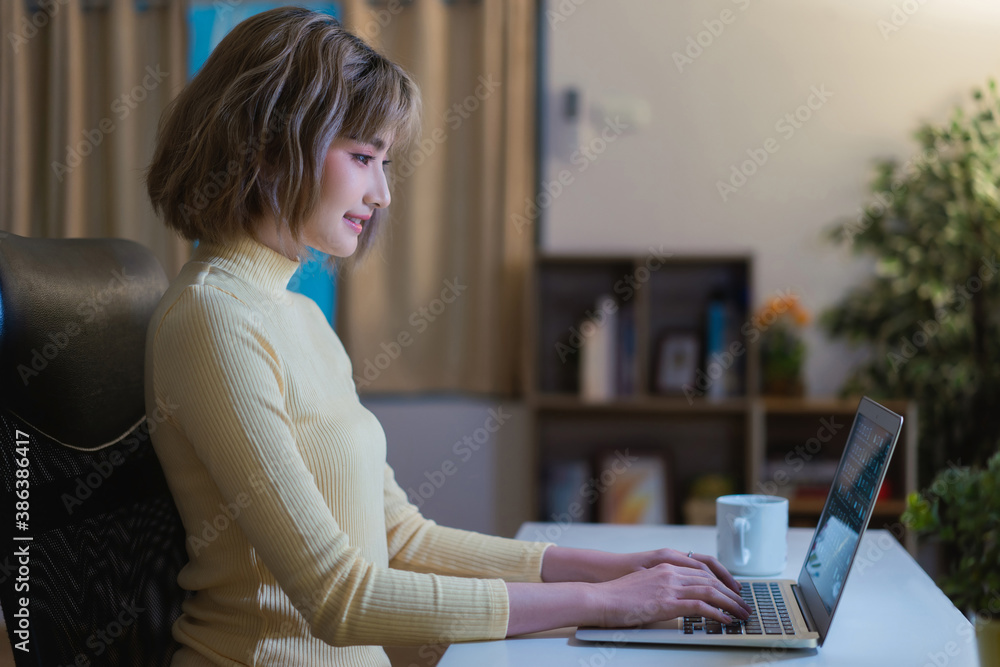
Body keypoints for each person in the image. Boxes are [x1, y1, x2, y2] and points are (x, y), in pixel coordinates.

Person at [143, 7, 751, 666]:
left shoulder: (299, 317)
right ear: (267, 145)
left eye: (385, 161)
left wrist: (611, 569)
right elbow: (336, 597)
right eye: (362, 156)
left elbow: (400, 536)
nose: (383, 193)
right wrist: (607, 602)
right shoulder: (212, 320)